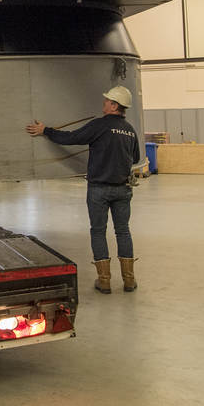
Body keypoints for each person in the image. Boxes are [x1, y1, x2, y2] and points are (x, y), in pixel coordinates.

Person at [26, 86, 141, 294]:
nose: (104, 103)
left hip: (99, 189)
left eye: (107, 101)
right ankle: (129, 280)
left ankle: (104, 281)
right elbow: (136, 158)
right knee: (123, 231)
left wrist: (46, 131)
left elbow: (71, 138)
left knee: (98, 231)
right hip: (123, 190)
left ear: (114, 105)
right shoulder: (130, 130)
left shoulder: (99, 125)